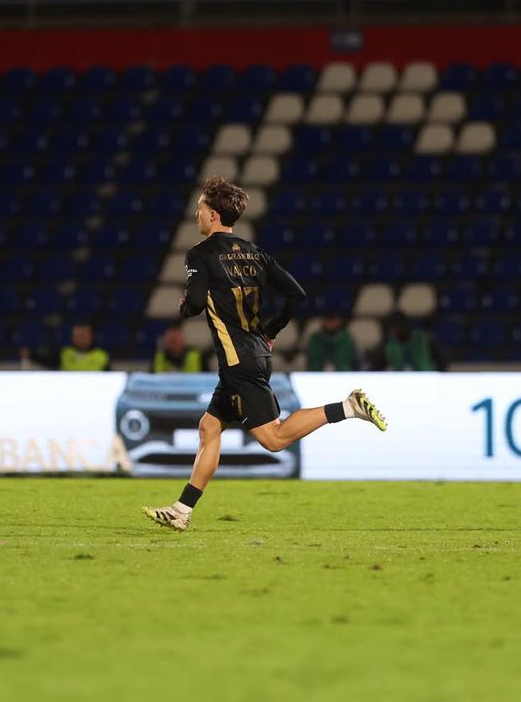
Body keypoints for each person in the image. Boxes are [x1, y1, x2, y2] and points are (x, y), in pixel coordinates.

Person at [143, 176, 387, 532]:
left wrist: (183, 306)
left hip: (238, 361)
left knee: (274, 438)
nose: (197, 213)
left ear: (213, 216)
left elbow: (194, 305)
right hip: (254, 352)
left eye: (200, 208)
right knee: (209, 427)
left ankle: (347, 407)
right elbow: (297, 294)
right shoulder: (255, 252)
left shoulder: (200, 254)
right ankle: (183, 509)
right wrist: (271, 331)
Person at [367, 311, 448, 372]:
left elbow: (441, 361)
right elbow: (376, 366)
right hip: (403, 382)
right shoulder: (390, 345)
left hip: (426, 378)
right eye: (392, 329)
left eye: (397, 327)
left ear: (405, 325)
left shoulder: (424, 339)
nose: (395, 331)